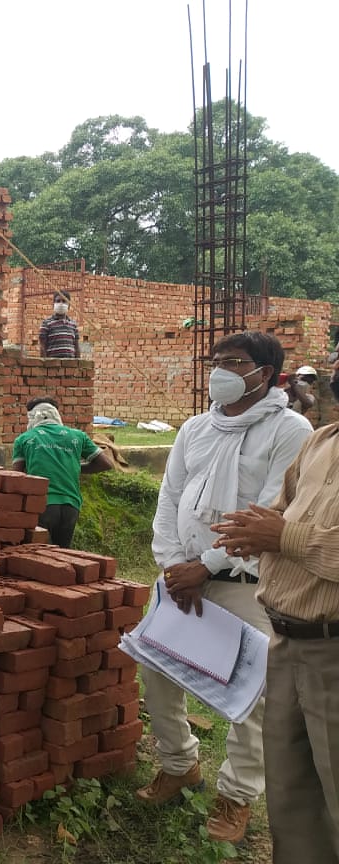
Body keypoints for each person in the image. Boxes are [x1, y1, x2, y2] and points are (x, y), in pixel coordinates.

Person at [138, 331, 313, 846]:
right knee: (157, 667)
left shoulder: (290, 429)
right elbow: (170, 497)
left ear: (265, 373)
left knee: (252, 690)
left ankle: (236, 797)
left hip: (246, 580)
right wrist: (175, 564)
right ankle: (179, 763)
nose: (219, 370)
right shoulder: (196, 427)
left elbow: (271, 510)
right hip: (181, 576)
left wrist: (207, 566)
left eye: (233, 361)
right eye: (215, 360)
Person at [210, 350, 339, 863]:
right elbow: (279, 513)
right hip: (286, 643)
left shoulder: (295, 430)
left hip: (333, 650)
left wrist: (283, 537)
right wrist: (253, 533)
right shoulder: (322, 442)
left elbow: (284, 530)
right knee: (292, 798)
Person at [11, 398, 113, 547]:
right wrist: (75, 468)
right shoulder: (78, 436)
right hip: (71, 506)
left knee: (39, 553)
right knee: (63, 554)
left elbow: (15, 477)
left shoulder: (24, 439)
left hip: (42, 505)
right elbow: (106, 464)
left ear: (32, 417)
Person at [38, 290, 80, 358]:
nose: (61, 303)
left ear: (69, 305)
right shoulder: (46, 323)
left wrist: (78, 363)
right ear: (53, 304)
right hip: (53, 363)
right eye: (58, 301)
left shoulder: (73, 325)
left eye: (64, 301)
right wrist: (45, 363)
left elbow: (77, 347)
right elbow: (42, 347)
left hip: (70, 363)